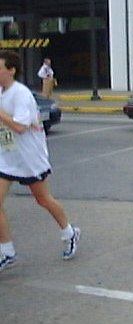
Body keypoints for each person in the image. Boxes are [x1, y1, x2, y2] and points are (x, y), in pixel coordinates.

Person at [0, 50, 80, 272]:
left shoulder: (21, 94)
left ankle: (70, 233)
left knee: (43, 199)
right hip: (7, 158)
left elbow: (19, 126)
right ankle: (7, 251)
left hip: (30, 158)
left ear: (11, 70)